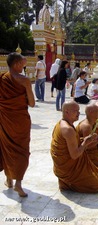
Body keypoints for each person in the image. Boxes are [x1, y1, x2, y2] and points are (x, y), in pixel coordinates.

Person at [50, 101, 98, 193]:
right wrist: (85, 142)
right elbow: (75, 155)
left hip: (71, 164)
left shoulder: (63, 123)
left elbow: (74, 144)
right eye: (76, 111)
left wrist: (88, 140)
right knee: (97, 186)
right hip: (68, 169)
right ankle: (69, 183)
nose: (79, 113)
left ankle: (68, 182)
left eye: (78, 110)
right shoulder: (68, 129)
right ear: (67, 112)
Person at [0, 52, 35, 197]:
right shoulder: (24, 80)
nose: (24, 65)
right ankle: (18, 183)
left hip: (4, 119)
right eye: (22, 63)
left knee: (6, 148)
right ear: (16, 64)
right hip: (20, 121)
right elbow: (32, 103)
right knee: (21, 150)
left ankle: (9, 179)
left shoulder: (2, 78)